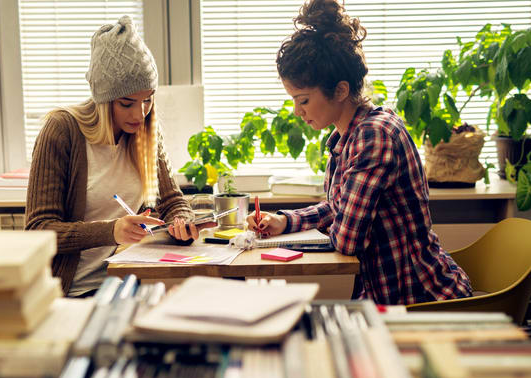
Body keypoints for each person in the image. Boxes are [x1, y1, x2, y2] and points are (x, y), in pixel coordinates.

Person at [246, 0, 472, 305]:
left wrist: (333, 220)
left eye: (303, 100)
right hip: (385, 295)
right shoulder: (350, 134)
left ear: (339, 91)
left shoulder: (373, 136)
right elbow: (341, 209)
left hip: (419, 300)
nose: (298, 112)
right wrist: (285, 221)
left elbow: (347, 239)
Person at [26, 16, 210, 297]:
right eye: (126, 103)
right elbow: (39, 230)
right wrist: (110, 231)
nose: (140, 113)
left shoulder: (146, 131)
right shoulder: (62, 131)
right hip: (74, 291)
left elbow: (172, 199)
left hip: (130, 282)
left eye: (148, 99)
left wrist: (181, 221)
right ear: (103, 98)